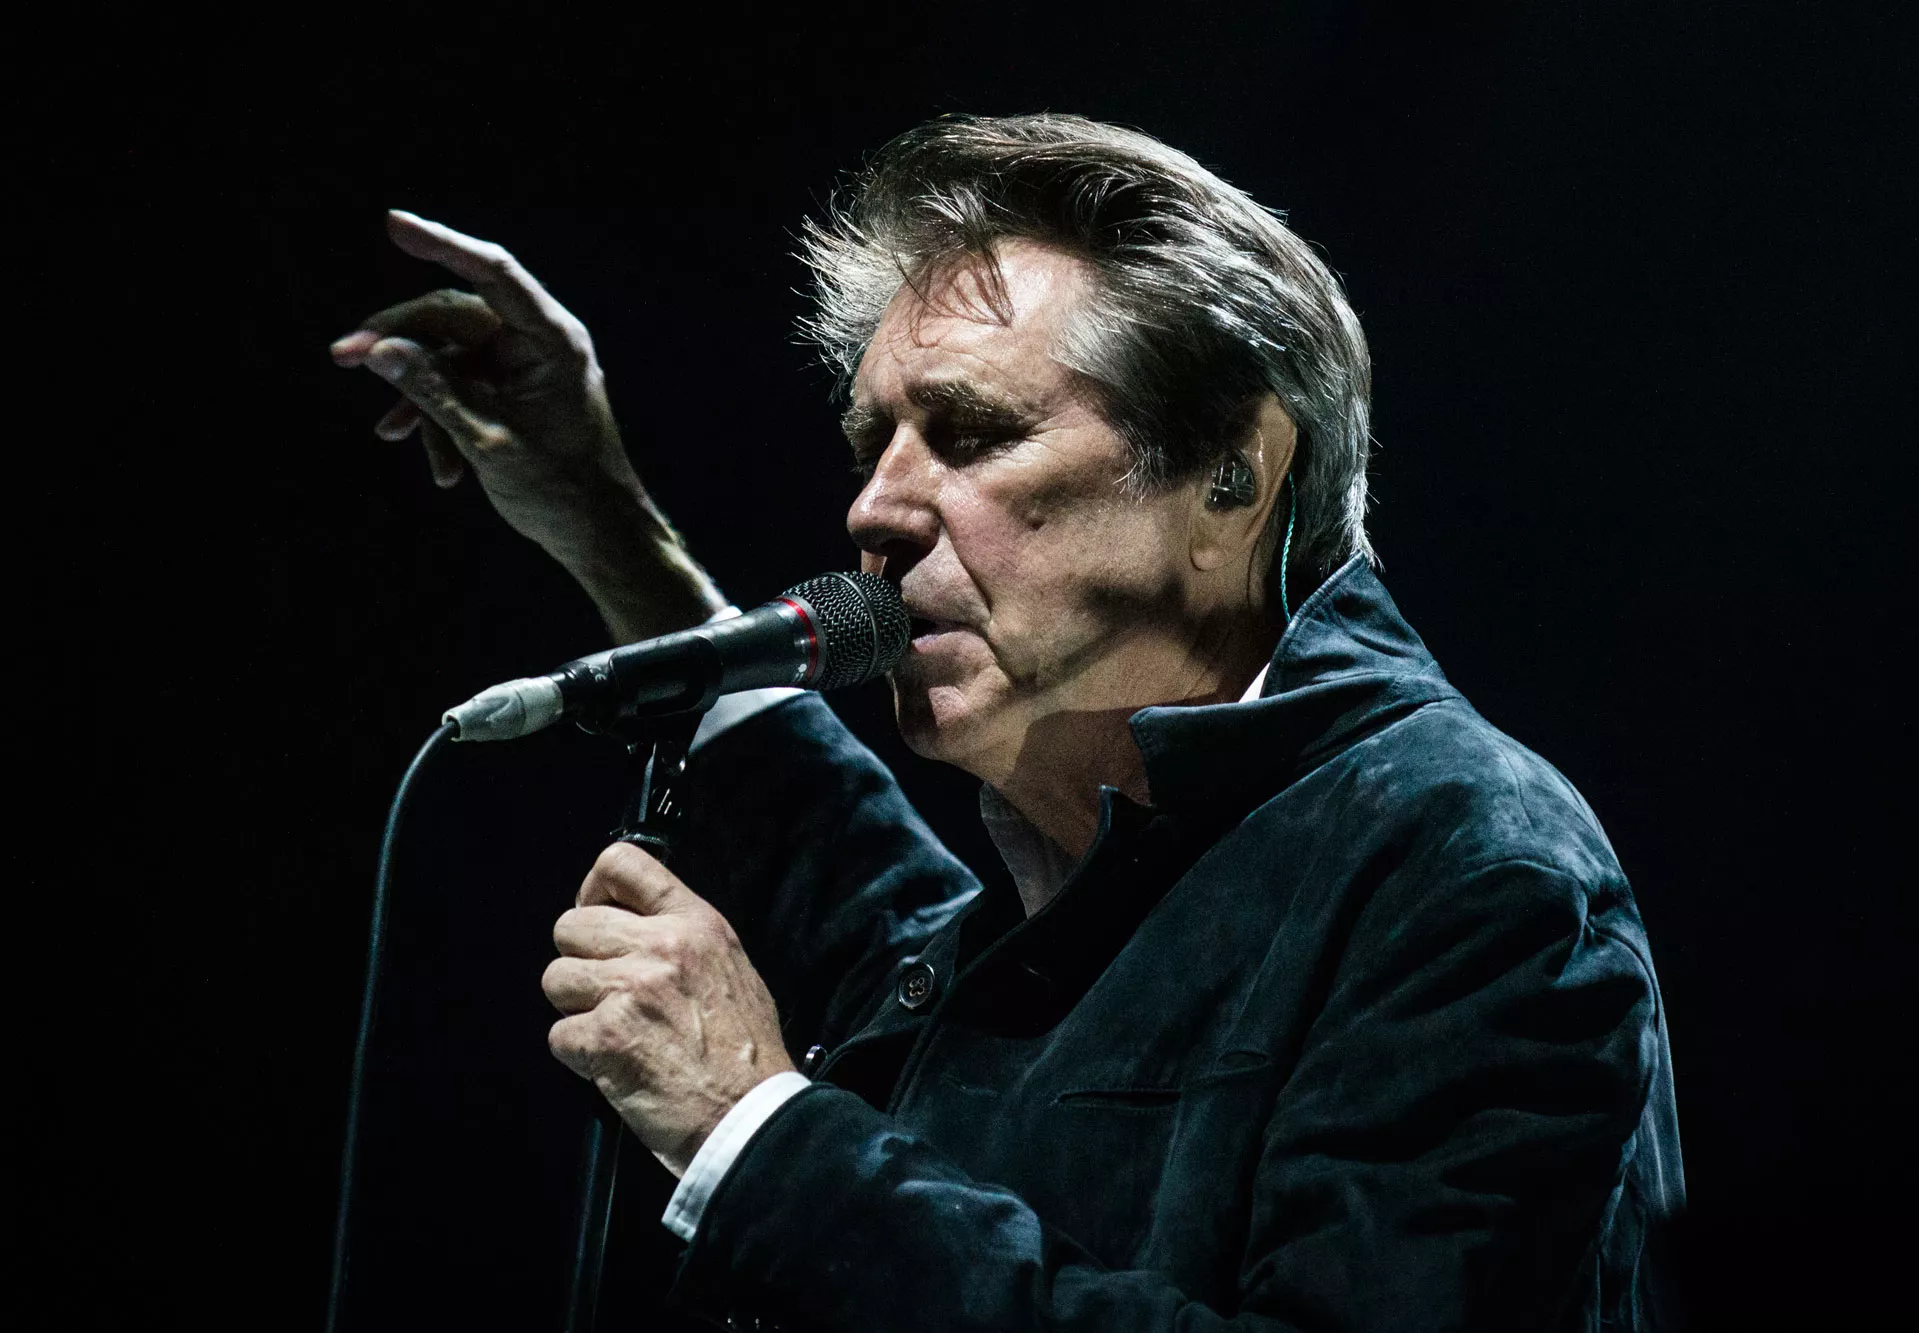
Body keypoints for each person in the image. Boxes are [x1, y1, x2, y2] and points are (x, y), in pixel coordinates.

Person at [331, 114, 1683, 1330]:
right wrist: (602, 517)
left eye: (971, 433)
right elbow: (851, 875)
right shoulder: (1089, 888)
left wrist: (757, 1133)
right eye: (871, 443)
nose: (873, 507)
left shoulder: (1467, 869)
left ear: (1232, 478)